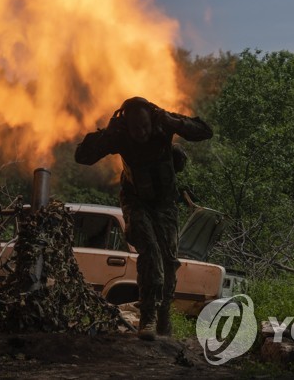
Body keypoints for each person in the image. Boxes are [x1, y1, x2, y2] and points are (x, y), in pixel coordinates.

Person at [74, 96, 213, 340]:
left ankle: (164, 313)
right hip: (135, 200)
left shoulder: (162, 123)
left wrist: (174, 122)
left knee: (169, 261)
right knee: (149, 251)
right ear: (127, 126)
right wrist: (107, 133)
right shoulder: (120, 135)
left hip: (165, 204)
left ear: (152, 120)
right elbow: (82, 156)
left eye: (145, 126)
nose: (141, 132)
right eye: (136, 128)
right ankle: (147, 317)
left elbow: (204, 131)